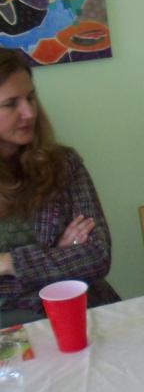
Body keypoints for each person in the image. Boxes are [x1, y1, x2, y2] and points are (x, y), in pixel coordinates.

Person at [0, 49, 119, 325]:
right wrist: (58, 255)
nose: (29, 113)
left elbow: (98, 255)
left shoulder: (64, 164)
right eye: (11, 104)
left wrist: (9, 263)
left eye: (31, 97)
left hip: (80, 310)